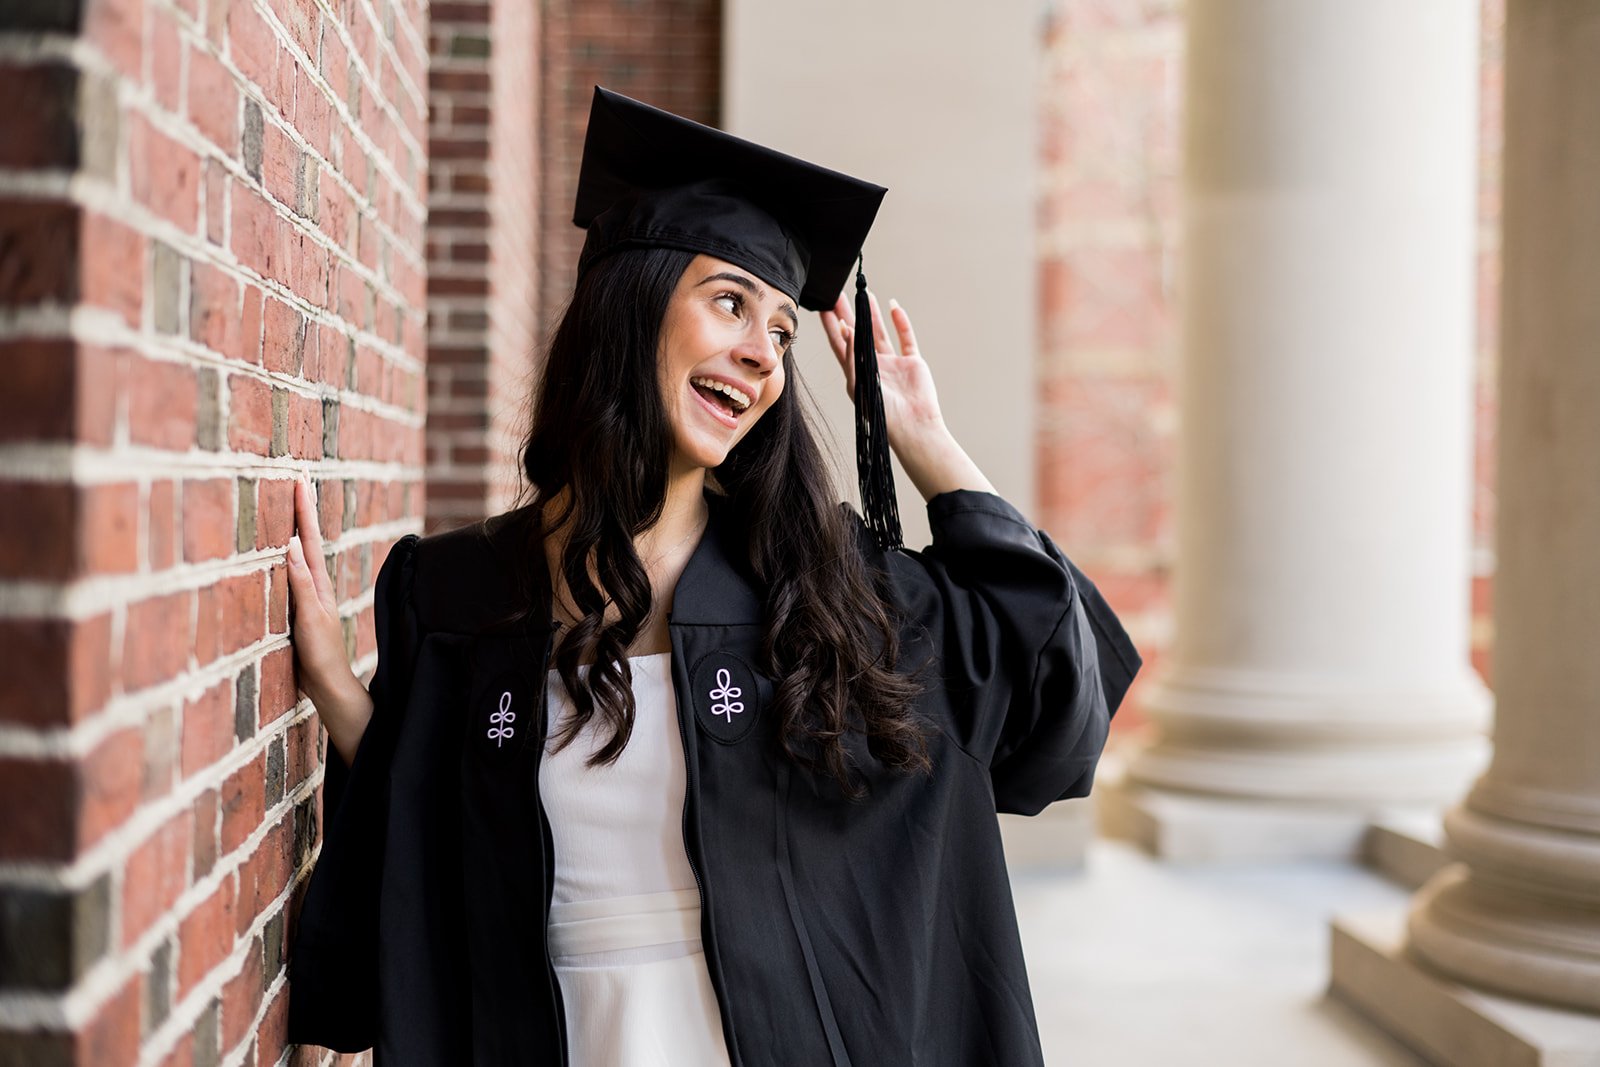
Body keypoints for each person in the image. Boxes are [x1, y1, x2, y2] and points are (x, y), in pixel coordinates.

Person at [282, 86, 1142, 1066]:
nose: (760, 354)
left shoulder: (823, 590)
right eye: (730, 302)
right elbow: (434, 826)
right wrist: (341, 699)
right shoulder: (456, 592)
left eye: (780, 331)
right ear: (631, 304)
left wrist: (928, 445)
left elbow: (1047, 694)